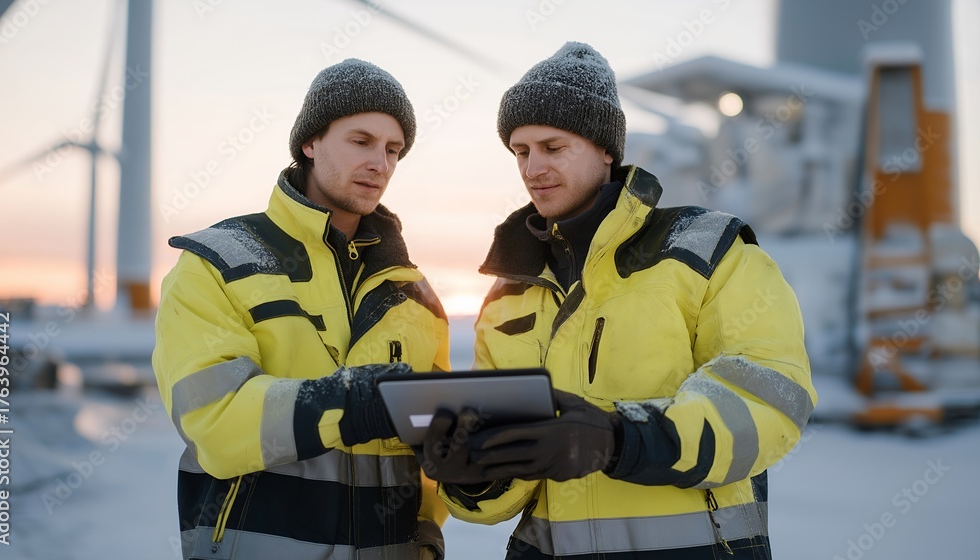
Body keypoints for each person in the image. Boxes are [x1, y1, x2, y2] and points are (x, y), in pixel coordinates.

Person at [419, 42, 817, 559]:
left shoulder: (706, 250)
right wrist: (473, 473)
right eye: (521, 151)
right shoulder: (509, 291)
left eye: (552, 147)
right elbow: (502, 496)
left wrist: (620, 439)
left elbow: (770, 394)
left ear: (605, 148)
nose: (532, 168)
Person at [153, 59, 451, 560]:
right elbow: (216, 421)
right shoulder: (220, 263)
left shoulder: (415, 295)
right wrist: (350, 403)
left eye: (393, 149)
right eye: (362, 141)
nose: (380, 163)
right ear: (310, 143)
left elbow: (428, 448)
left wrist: (426, 536)